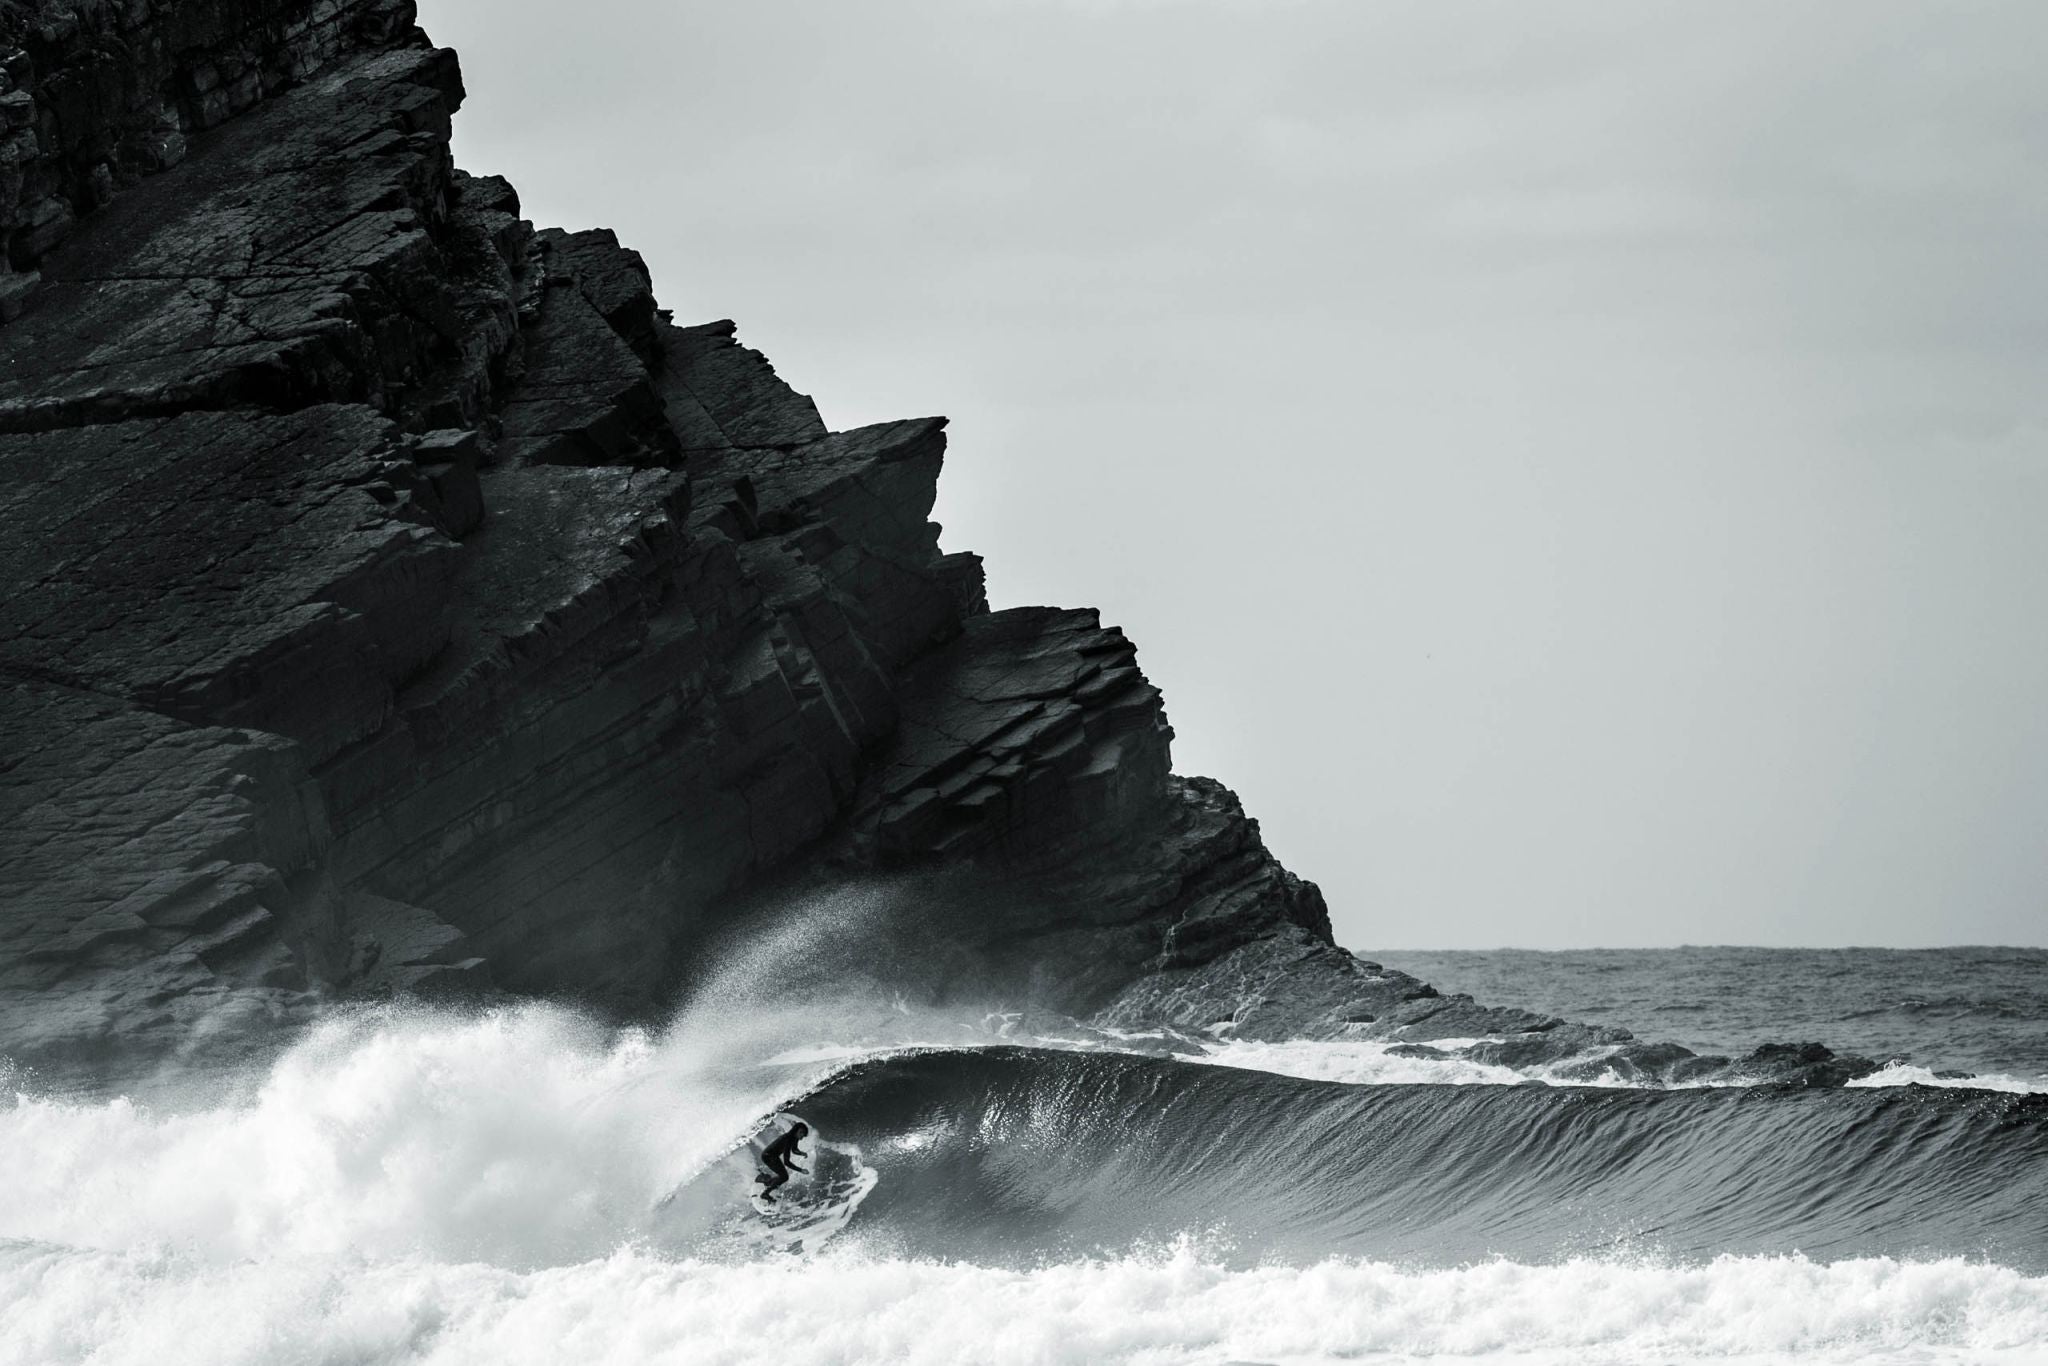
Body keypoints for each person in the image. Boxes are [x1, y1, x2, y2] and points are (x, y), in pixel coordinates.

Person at [754, 1121, 809, 1202]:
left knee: (782, 1176)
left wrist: (801, 1153)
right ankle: (765, 1193)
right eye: (802, 1135)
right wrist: (801, 1170)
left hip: (773, 1156)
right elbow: (787, 1162)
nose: (802, 1138)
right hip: (768, 1156)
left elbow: (794, 1150)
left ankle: (766, 1180)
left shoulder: (794, 1137)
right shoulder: (788, 1139)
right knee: (784, 1177)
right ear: (798, 1131)